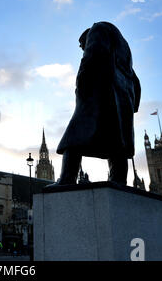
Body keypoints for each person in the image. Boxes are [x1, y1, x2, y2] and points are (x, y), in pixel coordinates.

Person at [52, 22, 141, 186]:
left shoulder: (98, 29)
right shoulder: (122, 45)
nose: (82, 49)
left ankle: (66, 179)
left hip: (99, 93)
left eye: (82, 45)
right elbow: (135, 79)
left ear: (87, 37)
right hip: (122, 98)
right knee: (118, 143)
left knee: (73, 138)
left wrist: (82, 85)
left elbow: (92, 55)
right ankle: (119, 180)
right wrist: (131, 102)